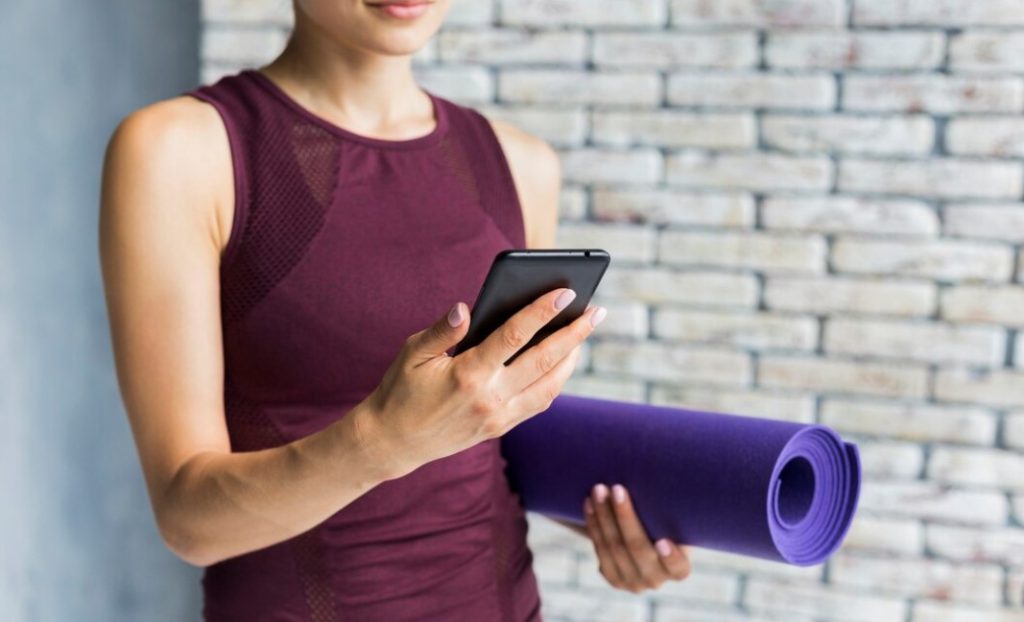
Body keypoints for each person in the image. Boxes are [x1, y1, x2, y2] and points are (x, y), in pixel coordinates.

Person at [98, 0, 693, 619]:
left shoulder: (524, 165)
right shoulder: (178, 151)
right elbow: (190, 521)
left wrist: (623, 518)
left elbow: (500, 438)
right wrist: (383, 442)